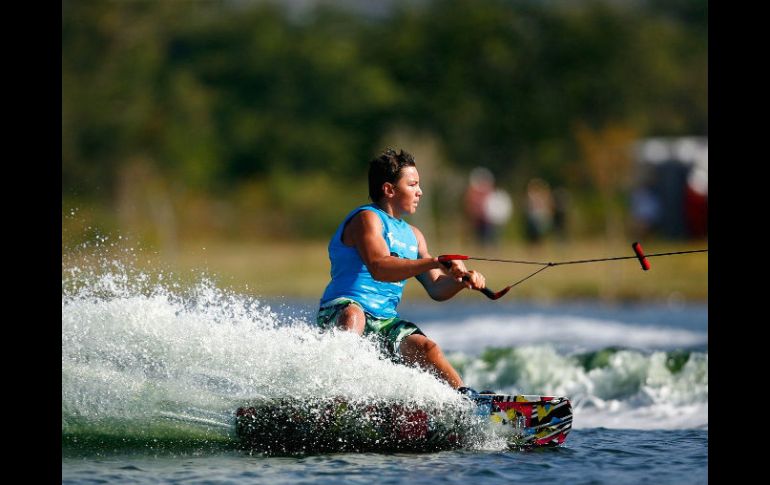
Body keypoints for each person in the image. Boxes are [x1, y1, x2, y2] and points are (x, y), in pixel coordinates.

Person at [317, 148, 487, 392]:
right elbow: (379, 267)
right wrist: (434, 261)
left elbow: (436, 288)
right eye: (413, 184)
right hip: (342, 311)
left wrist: (462, 280)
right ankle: (334, 392)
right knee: (354, 315)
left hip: (385, 322)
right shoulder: (367, 219)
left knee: (427, 348)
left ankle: (467, 402)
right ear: (389, 189)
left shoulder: (414, 236)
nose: (420, 191)